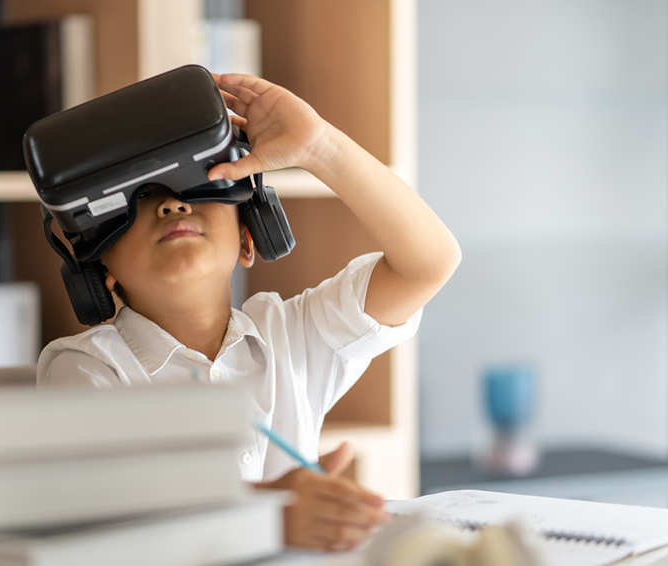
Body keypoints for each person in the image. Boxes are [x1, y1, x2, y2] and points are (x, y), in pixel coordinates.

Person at [37, 72, 461, 551]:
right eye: (141, 198)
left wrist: (320, 147)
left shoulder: (294, 337)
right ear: (102, 271)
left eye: (198, 187)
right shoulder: (84, 368)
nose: (172, 205)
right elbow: (107, 517)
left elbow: (427, 264)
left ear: (249, 236)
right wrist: (269, 516)